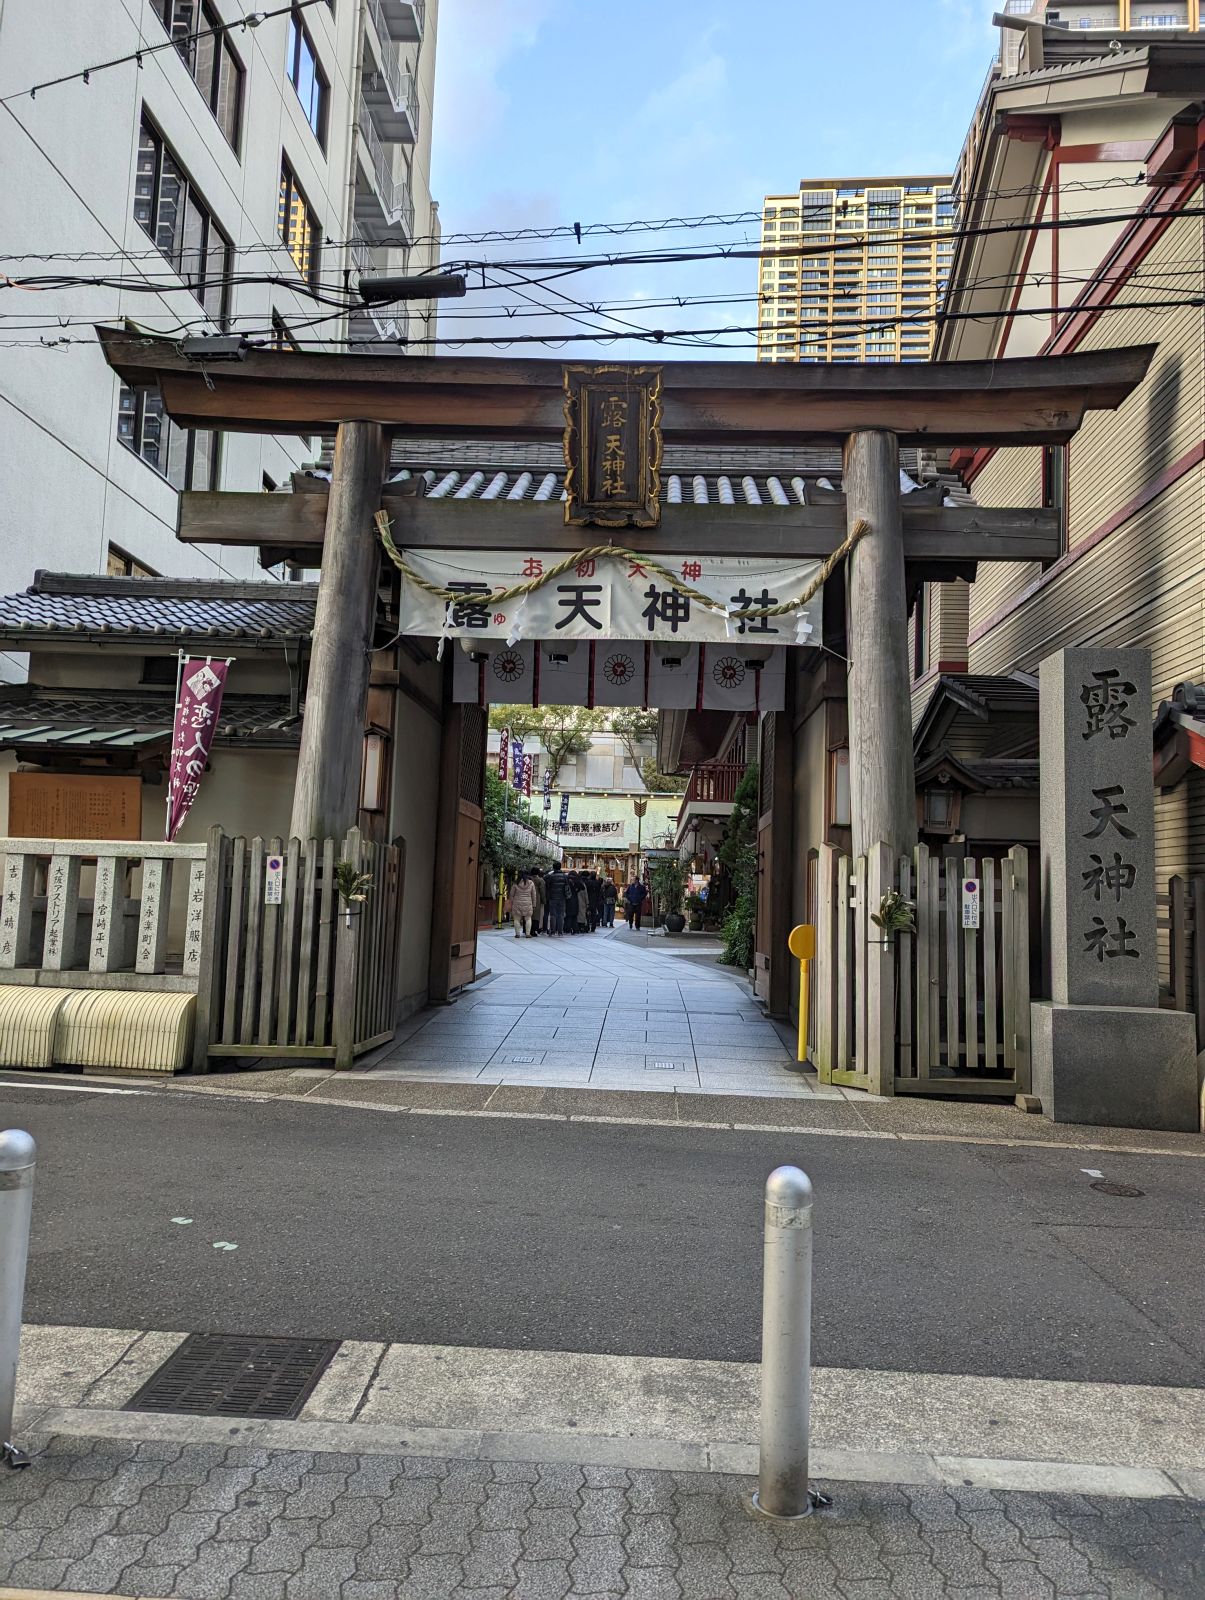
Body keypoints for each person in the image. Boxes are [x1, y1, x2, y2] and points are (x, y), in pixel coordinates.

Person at [509, 871, 536, 938]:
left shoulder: (516, 883)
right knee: (528, 918)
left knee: (517, 919)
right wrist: (534, 904)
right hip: (528, 903)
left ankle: (517, 934)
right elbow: (534, 895)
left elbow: (511, 894)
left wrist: (513, 902)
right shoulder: (531, 883)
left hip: (517, 903)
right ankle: (527, 934)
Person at [545, 862, 568, 936]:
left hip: (552, 898)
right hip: (562, 898)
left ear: (553, 867)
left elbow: (544, 880)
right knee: (561, 915)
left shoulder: (551, 876)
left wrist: (549, 873)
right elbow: (567, 886)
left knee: (553, 915)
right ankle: (560, 932)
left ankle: (552, 931)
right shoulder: (564, 876)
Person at [529, 868, 546, 937]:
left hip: (528, 897)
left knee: (528, 914)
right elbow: (542, 891)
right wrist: (544, 900)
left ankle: (526, 929)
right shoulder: (540, 880)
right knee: (536, 915)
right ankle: (534, 930)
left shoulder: (528, 879)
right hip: (537, 898)